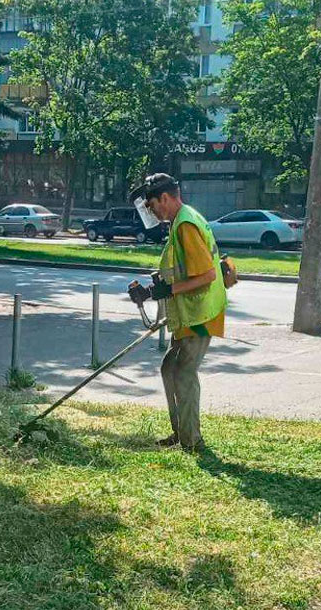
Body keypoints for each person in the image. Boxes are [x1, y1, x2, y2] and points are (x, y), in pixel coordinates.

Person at [129, 173, 227, 451]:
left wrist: (168, 291)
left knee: (183, 372)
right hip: (191, 312)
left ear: (165, 198)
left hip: (201, 313)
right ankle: (182, 433)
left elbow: (207, 275)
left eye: (151, 205)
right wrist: (152, 290)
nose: (151, 212)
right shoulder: (180, 222)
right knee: (169, 368)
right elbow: (181, 271)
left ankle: (192, 442)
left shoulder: (185, 225)